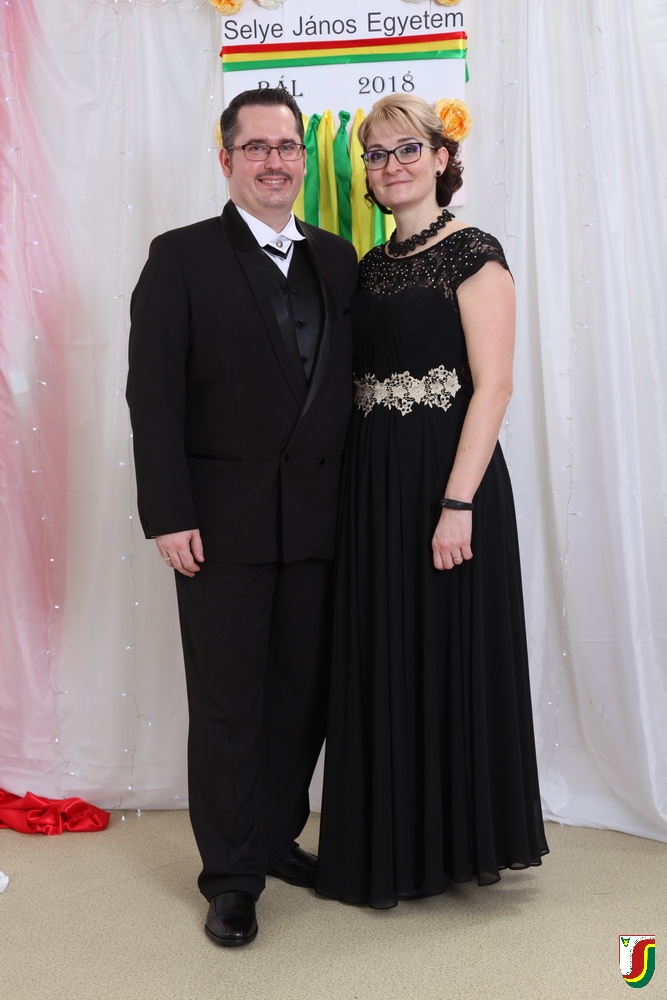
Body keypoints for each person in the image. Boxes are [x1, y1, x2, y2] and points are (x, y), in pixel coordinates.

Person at [126, 88, 357, 945]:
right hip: (219, 528)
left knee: (302, 699)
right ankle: (229, 878)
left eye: (286, 146)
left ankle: (270, 836)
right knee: (229, 707)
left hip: (319, 523)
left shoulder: (337, 258)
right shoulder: (180, 256)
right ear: (226, 160)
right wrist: (168, 513)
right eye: (254, 147)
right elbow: (152, 395)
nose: (273, 161)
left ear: (303, 158)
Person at [315, 94, 548, 909]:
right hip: (373, 482)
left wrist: (457, 504)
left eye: (407, 148)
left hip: (447, 480)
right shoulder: (367, 266)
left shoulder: (473, 252)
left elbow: (494, 387)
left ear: (442, 158)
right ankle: (394, 845)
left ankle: (452, 845)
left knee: (446, 650)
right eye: (376, 155)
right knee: (385, 650)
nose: (391, 166)